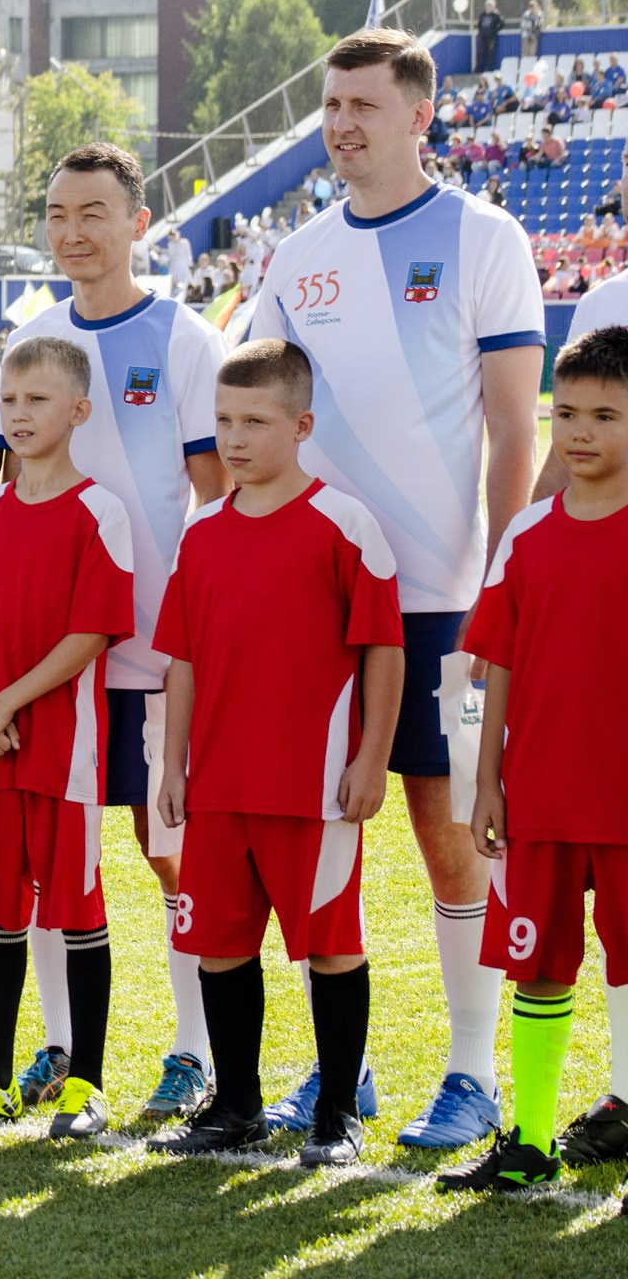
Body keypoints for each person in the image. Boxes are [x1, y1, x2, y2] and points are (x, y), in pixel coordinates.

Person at [246, 26, 545, 1150]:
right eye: (330, 104)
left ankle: (471, 1074)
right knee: (325, 826)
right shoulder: (295, 253)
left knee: (449, 829)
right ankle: (347, 1066)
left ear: (422, 116)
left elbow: (517, 425)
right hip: (320, 597)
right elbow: (263, 413)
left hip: (445, 594)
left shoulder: (484, 236)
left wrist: (504, 579)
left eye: (364, 104)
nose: (341, 124)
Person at [11, 145, 229, 1120]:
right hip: (55, 657)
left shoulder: (184, 339)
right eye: (58, 212)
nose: (72, 231)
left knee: (169, 848)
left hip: (156, 650)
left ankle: (195, 1048)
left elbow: (219, 502)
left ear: (138, 223)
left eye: (93, 212)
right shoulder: (31, 336)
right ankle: (62, 1044)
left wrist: (200, 632)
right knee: (57, 851)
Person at [151, 339, 405, 1168]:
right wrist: (173, 763)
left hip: (316, 786)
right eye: (223, 420)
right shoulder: (203, 535)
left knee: (331, 943)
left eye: (255, 421)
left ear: (300, 425)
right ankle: (237, 1103)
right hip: (221, 784)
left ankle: (336, 1110)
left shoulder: (345, 523)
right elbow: (182, 656)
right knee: (221, 942)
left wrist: (371, 761)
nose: (234, 437)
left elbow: (383, 651)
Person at [0, 336, 134, 1139]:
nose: (18, 414)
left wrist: (1, 705)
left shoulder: (98, 510)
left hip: (60, 751)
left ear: (77, 412)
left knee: (76, 911)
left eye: (37, 400)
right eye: (9, 400)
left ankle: (87, 1084)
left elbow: (92, 633)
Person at [439, 326, 628, 1194]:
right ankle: (534, 1138)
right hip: (541, 796)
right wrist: (487, 782)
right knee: (540, 966)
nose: (581, 433)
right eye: (568, 413)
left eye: (606, 415)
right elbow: (499, 665)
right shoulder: (527, 537)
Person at [474, 0, 503, 75]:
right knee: (480, 53)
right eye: (487, 6)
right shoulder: (482, 15)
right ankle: (477, 68)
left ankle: (489, 68)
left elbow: (502, 24)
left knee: (490, 54)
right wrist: (480, 33)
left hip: (491, 38)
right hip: (483, 37)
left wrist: (495, 30)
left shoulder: (496, 15)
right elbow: (479, 24)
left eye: (490, 6)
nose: (488, 8)